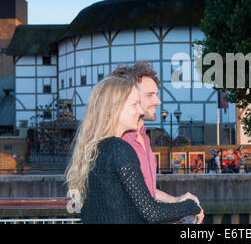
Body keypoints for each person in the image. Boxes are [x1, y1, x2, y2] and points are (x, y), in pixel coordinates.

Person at [65, 76, 202, 223]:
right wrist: (191, 206)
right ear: (115, 108)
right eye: (134, 104)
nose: (140, 111)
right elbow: (152, 212)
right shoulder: (119, 149)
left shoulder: (94, 149)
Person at [111, 63, 202, 211]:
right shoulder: (121, 142)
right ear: (130, 97)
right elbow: (140, 207)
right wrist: (185, 209)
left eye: (156, 94)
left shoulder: (144, 137)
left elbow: (146, 191)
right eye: (150, 95)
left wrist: (176, 200)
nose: (158, 101)